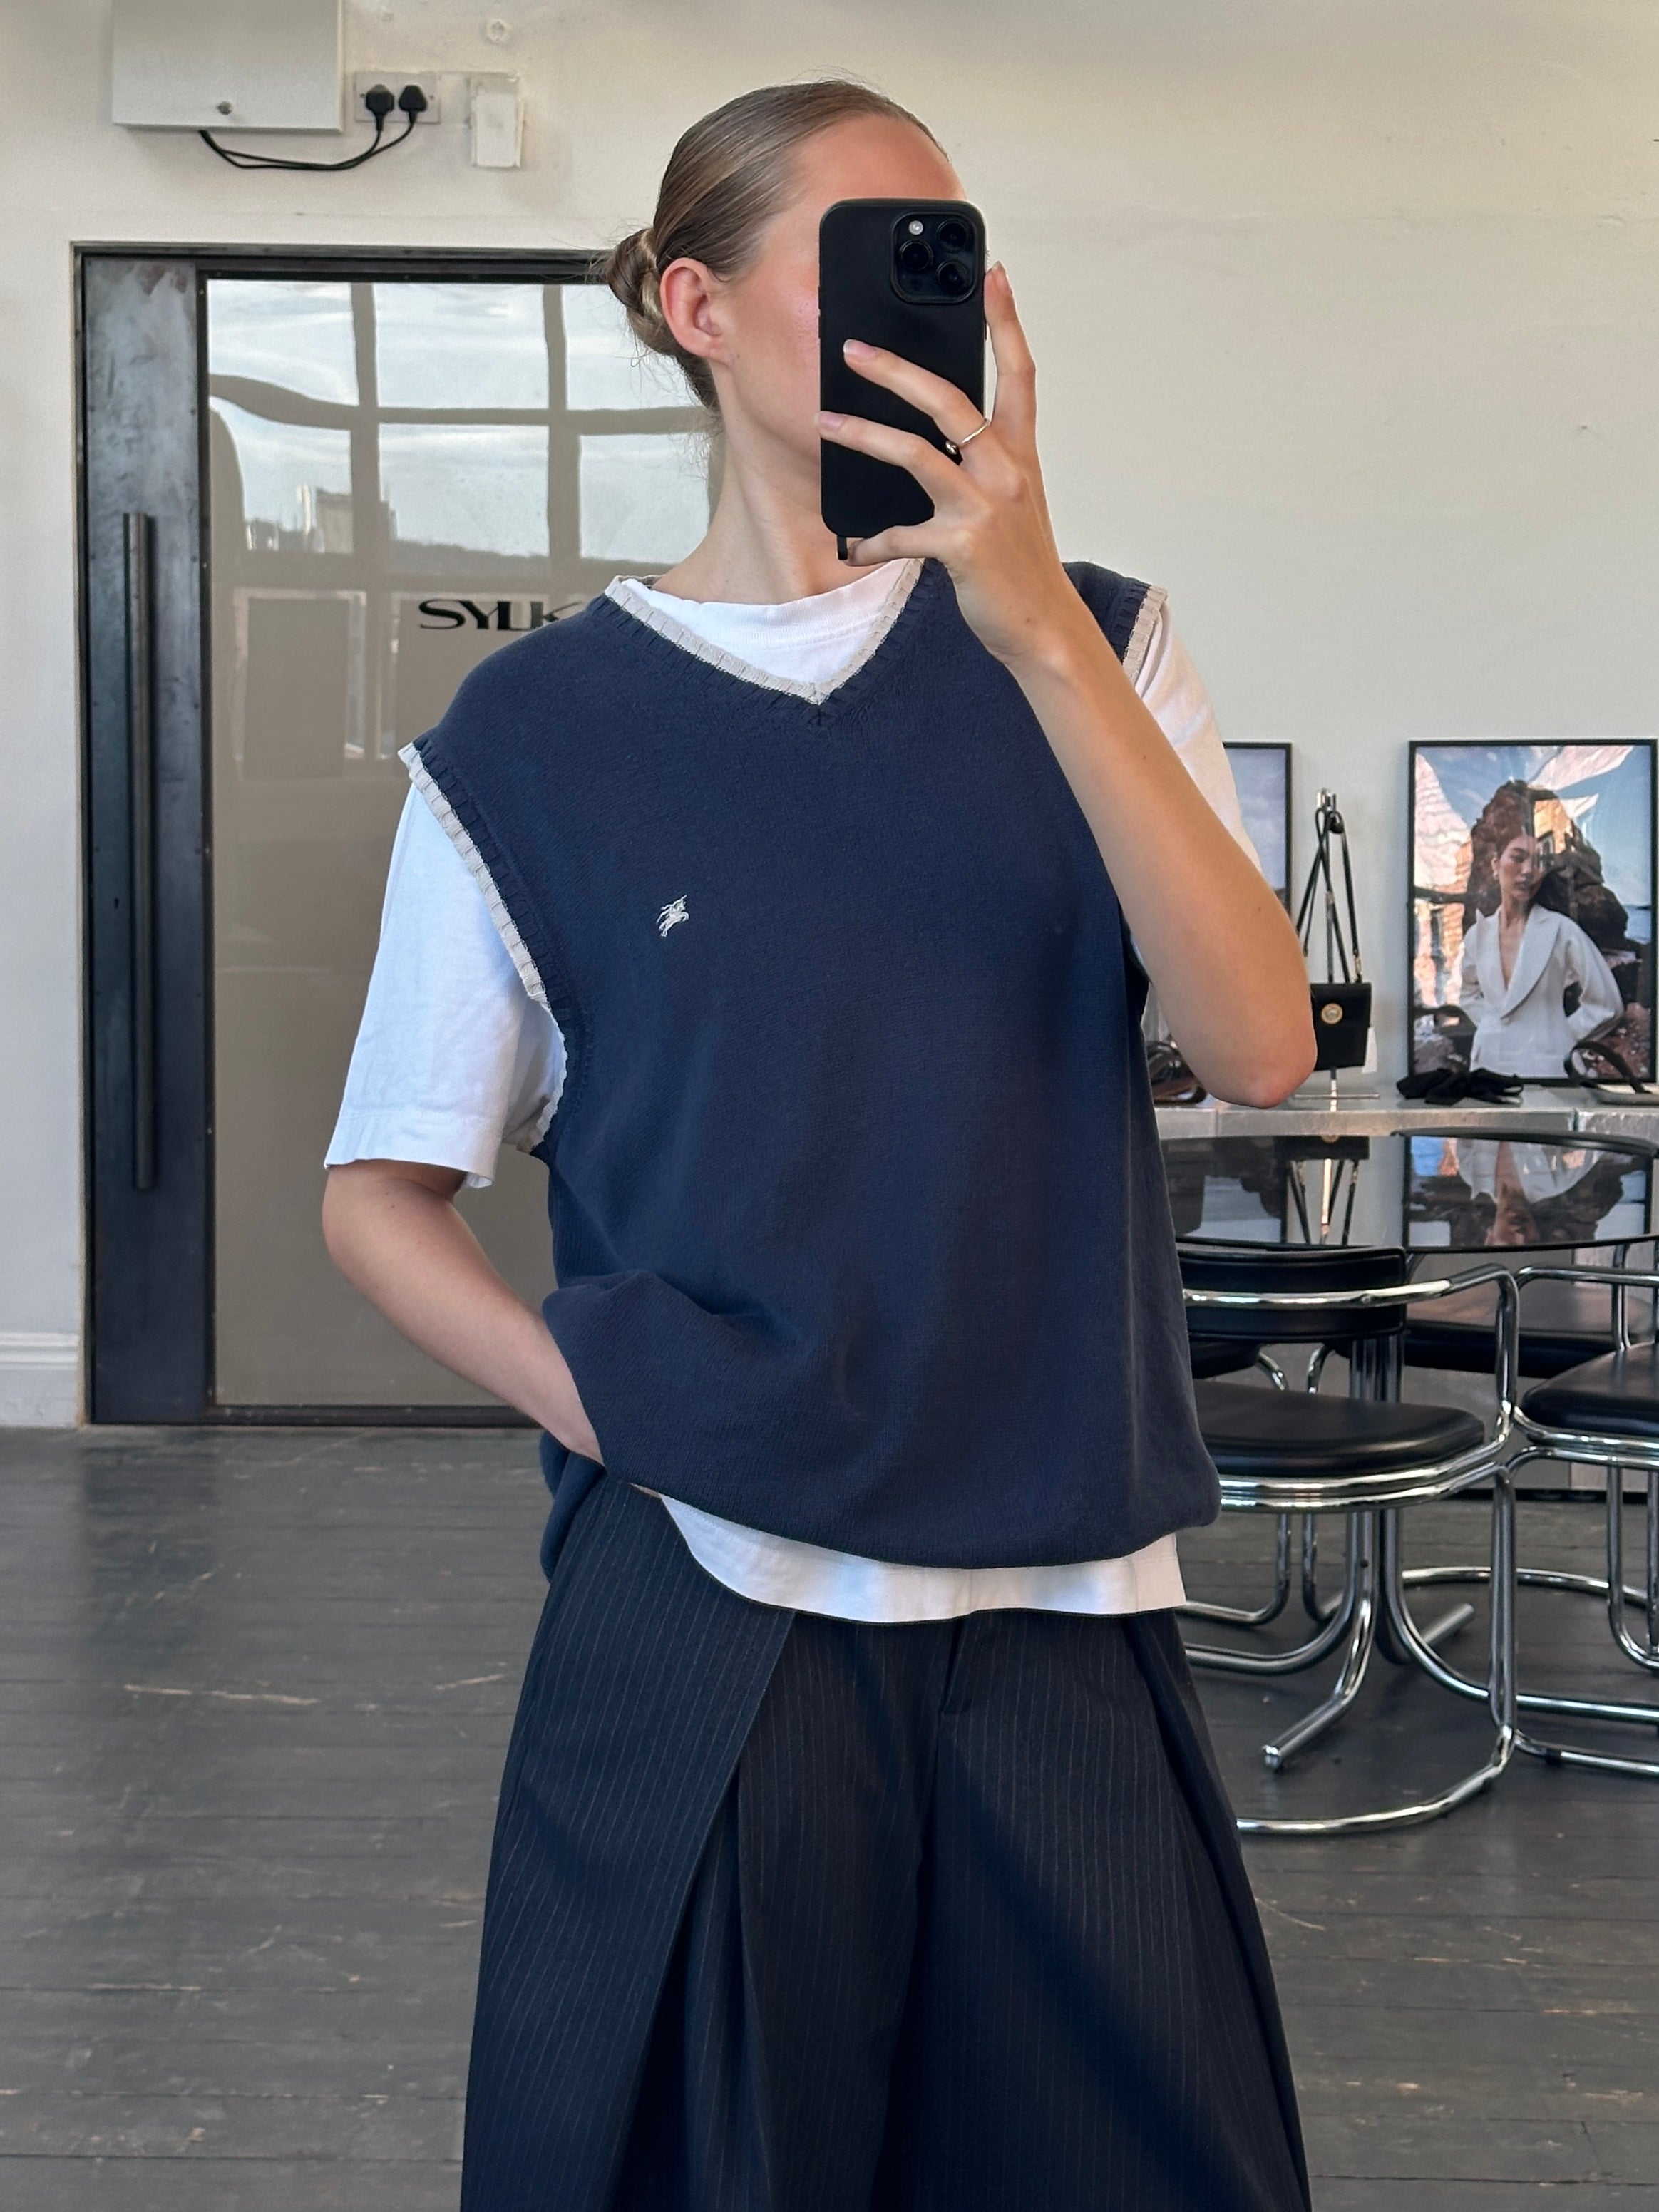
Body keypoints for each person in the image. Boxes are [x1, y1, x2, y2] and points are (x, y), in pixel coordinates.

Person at [321, 78, 1318, 2212]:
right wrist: (592, 1390)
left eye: (950, 256)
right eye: (865, 254)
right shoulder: (532, 737)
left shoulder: (1099, 638)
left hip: (1064, 1576)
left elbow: (1256, 1043)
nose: (923, 304)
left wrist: (1030, 621)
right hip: (711, 1581)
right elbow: (379, 1190)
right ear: (695, 307)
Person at [1458, 828, 1622, 1078]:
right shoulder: (1478, 935)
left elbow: (1606, 1005)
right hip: (1489, 1069)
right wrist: (1494, 1028)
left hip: (1547, 1070)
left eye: (1538, 863)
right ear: (1496, 864)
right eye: (1517, 858)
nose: (1527, 871)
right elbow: (1468, 995)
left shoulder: (1561, 930)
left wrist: (1559, 1036)